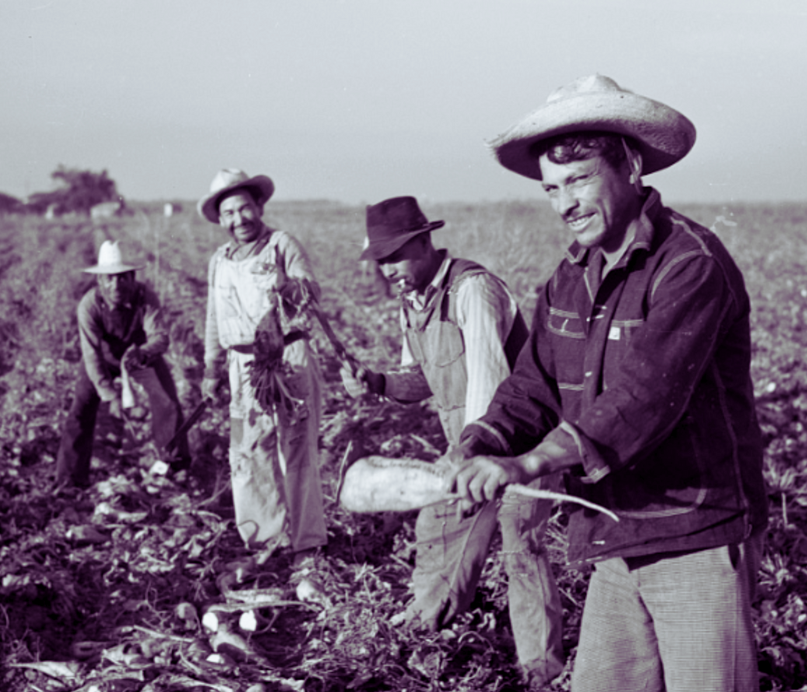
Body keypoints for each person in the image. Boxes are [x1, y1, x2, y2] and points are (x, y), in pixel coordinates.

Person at [451, 74, 769, 692]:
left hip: (693, 535)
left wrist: (529, 463)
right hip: (614, 535)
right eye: (551, 189)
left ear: (630, 167)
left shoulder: (691, 265)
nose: (563, 203)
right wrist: (481, 440)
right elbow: (532, 385)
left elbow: (644, 400)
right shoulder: (570, 278)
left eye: (578, 180)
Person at [340, 195, 564, 687]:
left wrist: (470, 455)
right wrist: (378, 383)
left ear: (424, 242)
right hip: (466, 455)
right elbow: (420, 378)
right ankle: (426, 626)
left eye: (395, 256)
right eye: (381, 261)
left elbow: (490, 386)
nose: (388, 270)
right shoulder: (413, 304)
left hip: (519, 446)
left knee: (520, 548)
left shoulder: (471, 290)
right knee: (436, 529)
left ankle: (542, 673)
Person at [198, 168, 327, 565]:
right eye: (230, 213)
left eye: (245, 209)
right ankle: (265, 541)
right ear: (221, 220)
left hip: (287, 359)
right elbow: (214, 318)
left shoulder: (281, 245)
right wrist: (211, 369)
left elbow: (311, 294)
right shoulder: (219, 260)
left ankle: (307, 544)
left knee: (297, 448)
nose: (239, 220)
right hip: (243, 366)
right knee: (249, 452)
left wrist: (289, 286)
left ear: (259, 207)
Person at [56, 240, 190, 489]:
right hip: (103, 360)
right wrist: (110, 395)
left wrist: (143, 352)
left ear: (132, 277)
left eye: (122, 277)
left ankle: (173, 466)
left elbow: (160, 337)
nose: (116, 284)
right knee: (81, 410)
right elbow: (91, 354)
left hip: (139, 355)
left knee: (167, 403)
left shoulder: (146, 297)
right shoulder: (89, 305)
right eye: (109, 278)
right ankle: (70, 480)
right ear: (100, 281)